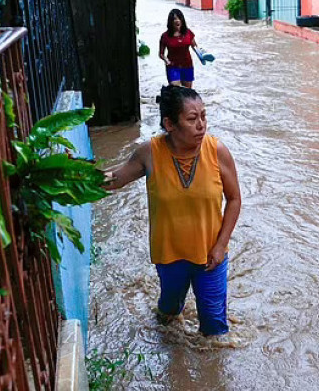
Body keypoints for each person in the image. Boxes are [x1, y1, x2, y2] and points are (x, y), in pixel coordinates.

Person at [103, 85, 241, 336]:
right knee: (168, 314)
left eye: (203, 116)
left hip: (210, 255)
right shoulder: (150, 153)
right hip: (170, 256)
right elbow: (116, 179)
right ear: (170, 124)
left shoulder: (217, 151)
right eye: (192, 119)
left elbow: (234, 200)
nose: (201, 125)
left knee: (215, 329)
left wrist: (221, 246)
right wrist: (74, 177)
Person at [159, 9, 200, 88]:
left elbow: (195, 47)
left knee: (187, 93)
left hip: (187, 65)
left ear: (182, 20)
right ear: (170, 21)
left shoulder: (188, 33)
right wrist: (166, 60)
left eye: (179, 18)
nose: (177, 21)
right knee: (176, 89)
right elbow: (161, 54)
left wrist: (202, 56)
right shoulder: (165, 36)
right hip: (172, 66)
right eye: (174, 19)